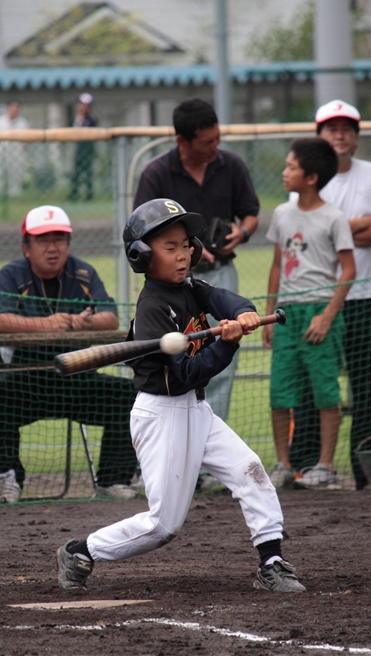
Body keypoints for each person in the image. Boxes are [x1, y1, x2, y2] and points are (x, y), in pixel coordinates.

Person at [56, 198, 305, 593]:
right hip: (162, 415)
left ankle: (271, 562)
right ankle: (81, 551)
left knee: (250, 470)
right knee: (163, 526)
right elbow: (188, 373)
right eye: (169, 247)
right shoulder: (153, 309)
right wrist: (226, 344)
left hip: (196, 410)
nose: (183, 255)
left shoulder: (188, 286)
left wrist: (244, 312)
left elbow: (221, 298)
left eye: (186, 245)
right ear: (141, 255)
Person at [133, 98, 260, 489]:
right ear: (182, 141)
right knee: (179, 366)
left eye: (217, 138)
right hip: (168, 287)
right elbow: (142, 234)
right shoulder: (157, 172)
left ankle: (205, 459)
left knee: (220, 367)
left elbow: (250, 212)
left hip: (213, 275)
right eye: (206, 141)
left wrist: (242, 232)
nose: (214, 147)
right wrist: (185, 253)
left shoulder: (230, 165)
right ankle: (181, 460)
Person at [0, 205, 137, 503]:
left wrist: (83, 322)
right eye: (42, 240)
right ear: (26, 247)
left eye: (59, 239)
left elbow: (111, 317)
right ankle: (6, 481)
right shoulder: (10, 274)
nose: (52, 248)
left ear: (68, 243)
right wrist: (47, 324)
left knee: (130, 396)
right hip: (25, 379)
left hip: (79, 378)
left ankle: (114, 479)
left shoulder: (84, 273)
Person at [287, 100, 371, 490]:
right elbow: (301, 235)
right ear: (319, 134)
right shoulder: (307, 178)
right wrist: (360, 226)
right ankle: (308, 467)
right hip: (316, 301)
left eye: (347, 128)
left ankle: (366, 471)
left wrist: (333, 233)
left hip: (367, 297)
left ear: (356, 135)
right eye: (331, 128)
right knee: (314, 385)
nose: (339, 134)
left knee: (369, 386)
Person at [264, 139, 356, 490]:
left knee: (326, 392)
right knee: (279, 392)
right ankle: (283, 464)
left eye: (291, 167)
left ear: (312, 177)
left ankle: (325, 466)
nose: (284, 172)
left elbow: (348, 270)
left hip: (320, 312)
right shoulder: (281, 214)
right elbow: (277, 266)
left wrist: (327, 315)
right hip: (287, 315)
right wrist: (269, 315)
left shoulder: (334, 217)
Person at [0, 101, 29, 197]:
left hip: (16, 152)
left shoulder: (22, 123)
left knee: (15, 172)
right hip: (1, 151)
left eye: (17, 108)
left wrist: (22, 151)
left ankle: (15, 193)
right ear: (8, 108)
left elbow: (26, 141)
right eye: (12, 107)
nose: (14, 110)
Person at [68, 93, 97, 203]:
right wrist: (78, 121)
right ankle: (74, 194)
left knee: (88, 174)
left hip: (88, 150)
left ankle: (89, 195)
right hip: (79, 150)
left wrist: (82, 121)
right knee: (76, 173)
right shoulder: (77, 119)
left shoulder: (91, 119)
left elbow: (90, 128)